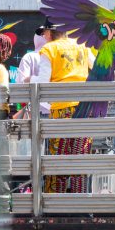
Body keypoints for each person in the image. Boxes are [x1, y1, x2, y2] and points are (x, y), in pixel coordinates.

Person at [33, 21, 93, 193]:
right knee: (80, 156)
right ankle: (79, 199)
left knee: (57, 158)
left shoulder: (50, 49)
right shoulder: (82, 45)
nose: (43, 36)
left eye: (44, 33)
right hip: (84, 110)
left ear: (51, 33)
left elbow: (42, 83)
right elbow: (97, 68)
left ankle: (55, 202)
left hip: (61, 110)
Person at [15, 27, 52, 118]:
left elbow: (21, 83)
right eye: (41, 34)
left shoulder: (29, 57)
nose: (43, 36)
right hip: (57, 109)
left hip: (35, 110)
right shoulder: (56, 55)